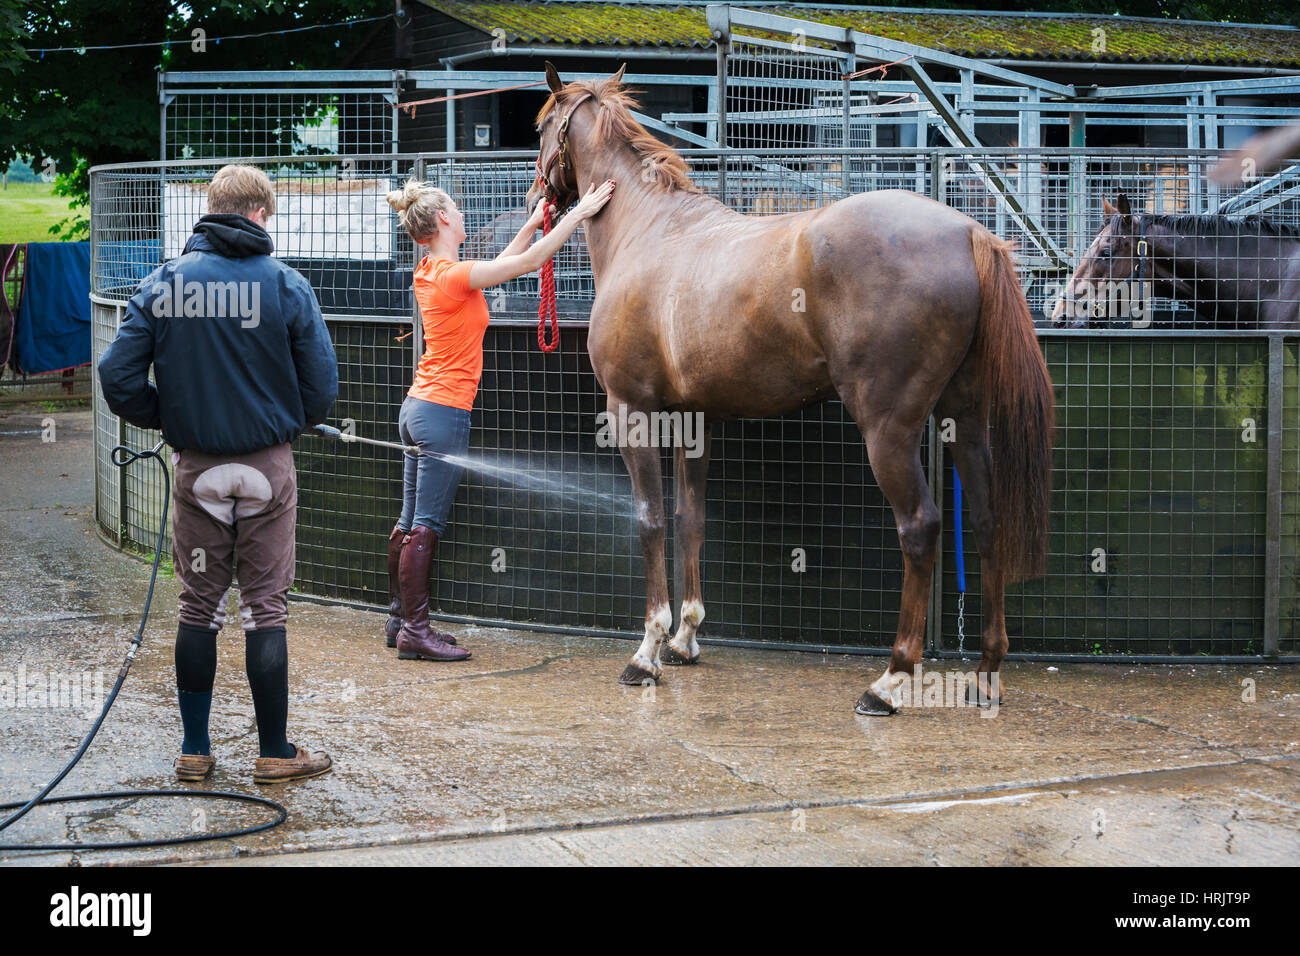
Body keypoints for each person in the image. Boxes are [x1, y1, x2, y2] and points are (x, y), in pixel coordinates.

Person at [98, 164, 339, 785]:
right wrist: (288, 423)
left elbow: (116, 377)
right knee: (265, 609)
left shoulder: (163, 285)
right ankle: (275, 753)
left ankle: (195, 750)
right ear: (260, 213)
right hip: (266, 469)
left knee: (198, 607)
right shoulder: (287, 286)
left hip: (199, 471)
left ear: (212, 208)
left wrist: (172, 419)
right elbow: (322, 390)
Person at [382, 177, 615, 661]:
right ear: (443, 218)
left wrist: (533, 223)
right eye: (457, 207)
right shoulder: (449, 273)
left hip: (418, 408)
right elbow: (526, 265)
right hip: (443, 411)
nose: (464, 214)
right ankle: (415, 632)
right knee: (425, 525)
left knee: (407, 523)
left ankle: (400, 620)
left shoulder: (432, 269)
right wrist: (580, 213)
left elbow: (501, 266)